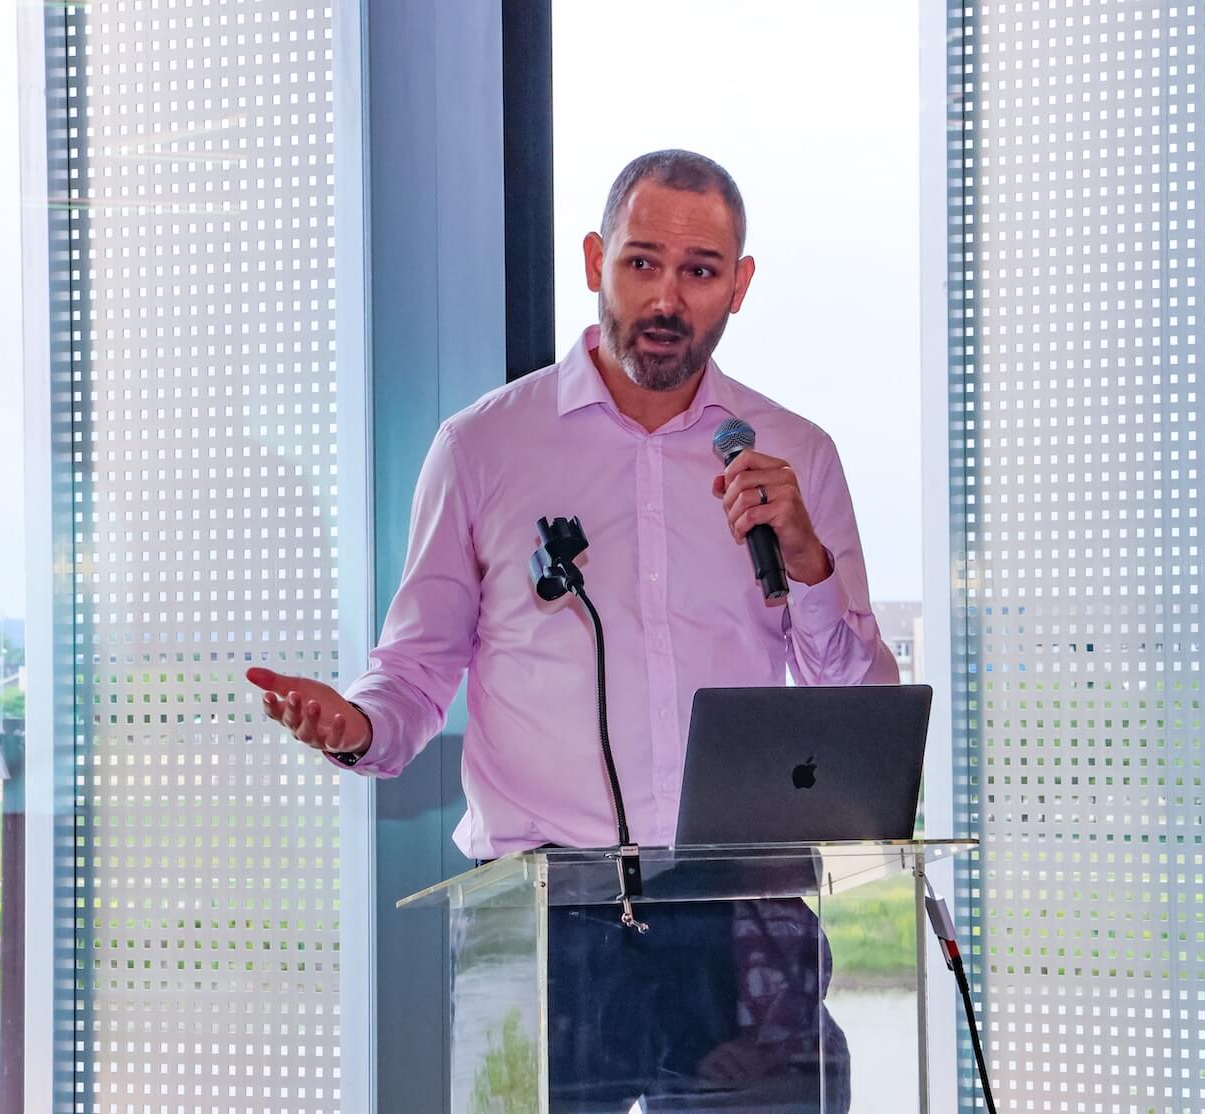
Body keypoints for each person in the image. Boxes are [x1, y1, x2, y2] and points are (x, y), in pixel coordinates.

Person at [248, 150, 895, 1112]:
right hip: (547, 922)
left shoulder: (793, 457)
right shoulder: (486, 446)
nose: (667, 297)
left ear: (741, 286)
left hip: (739, 911)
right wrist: (359, 725)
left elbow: (861, 715)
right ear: (594, 259)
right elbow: (418, 671)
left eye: (701, 271)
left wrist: (806, 563)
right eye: (641, 263)